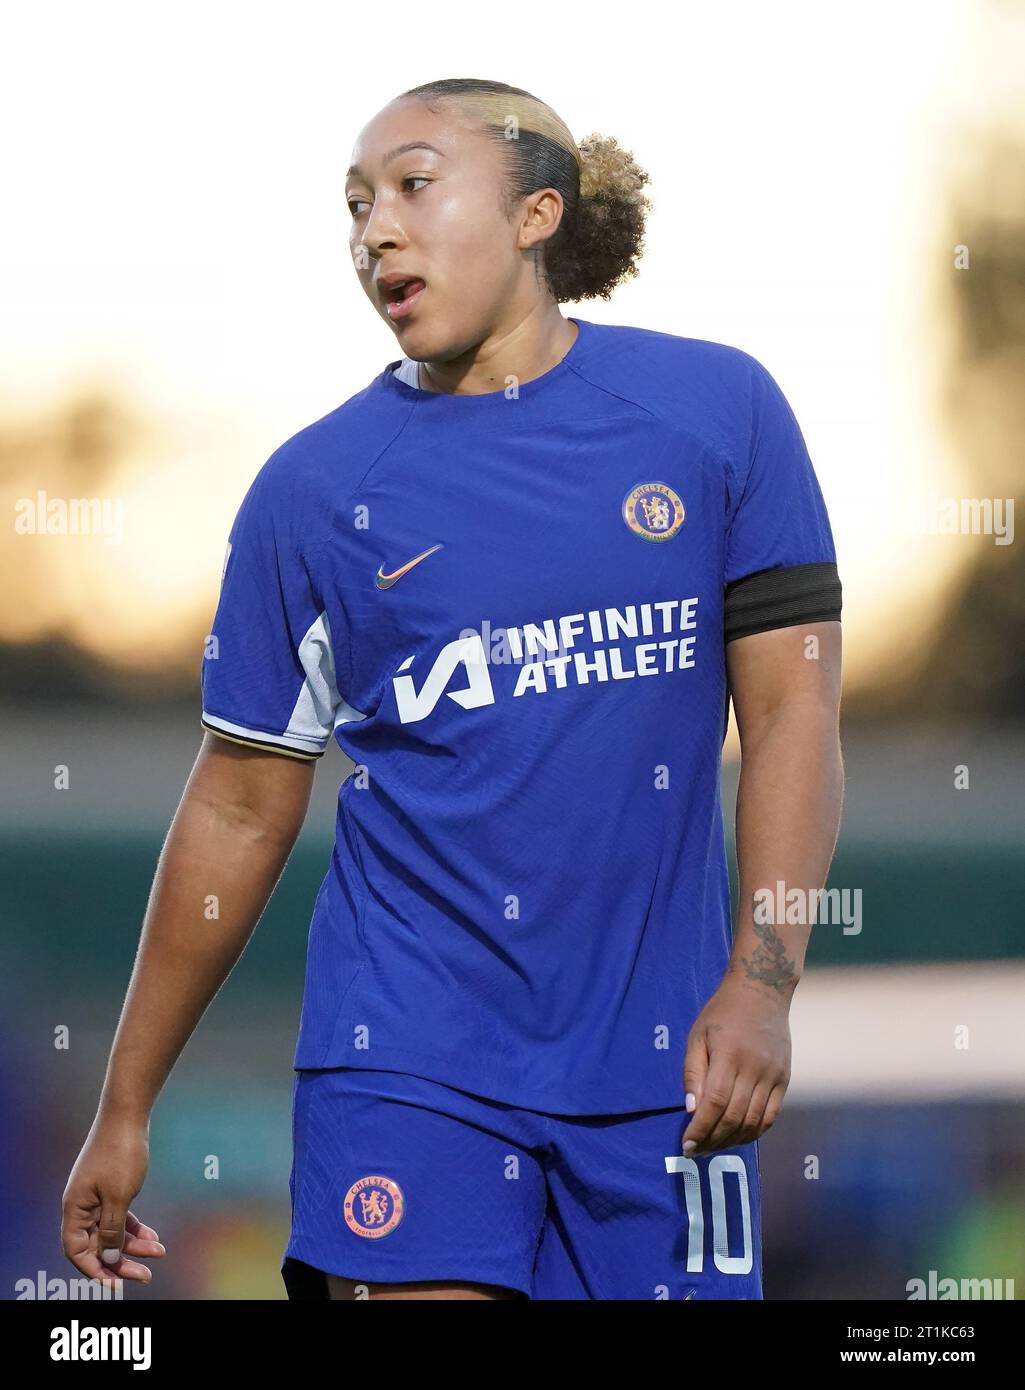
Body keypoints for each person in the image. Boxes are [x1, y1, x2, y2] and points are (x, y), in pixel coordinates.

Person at [61, 77, 843, 1301]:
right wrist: (124, 1103)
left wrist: (761, 977)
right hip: (406, 1058)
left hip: (663, 1076)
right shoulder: (312, 491)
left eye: (415, 184)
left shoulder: (715, 415)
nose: (375, 228)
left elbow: (794, 713)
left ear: (537, 212)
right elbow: (235, 805)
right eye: (357, 204)